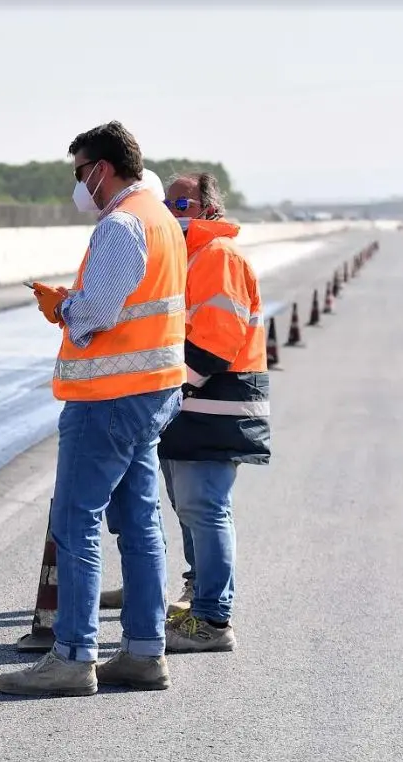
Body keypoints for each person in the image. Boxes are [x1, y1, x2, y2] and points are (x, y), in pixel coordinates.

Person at [0, 122, 187, 696]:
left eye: (80, 173)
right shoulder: (163, 222)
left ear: (101, 169)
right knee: (138, 522)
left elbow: (97, 313)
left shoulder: (122, 224)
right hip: (151, 393)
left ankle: (74, 656)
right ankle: (144, 652)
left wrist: (61, 307)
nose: (79, 185)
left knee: (75, 520)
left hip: (108, 398)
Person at [158, 171, 271, 652]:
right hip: (195, 407)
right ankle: (200, 600)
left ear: (208, 209)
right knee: (192, 508)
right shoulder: (190, 257)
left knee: (205, 508)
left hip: (213, 406)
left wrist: (163, 387)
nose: (171, 210)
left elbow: (214, 342)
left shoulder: (217, 255)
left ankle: (212, 621)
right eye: (166, 202)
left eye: (182, 203)